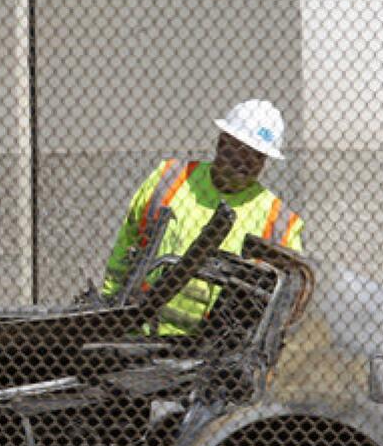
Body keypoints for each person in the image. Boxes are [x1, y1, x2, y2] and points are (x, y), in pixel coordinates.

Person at [101, 99, 304, 334]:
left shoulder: (279, 221)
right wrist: (109, 306)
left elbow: (288, 302)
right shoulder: (169, 180)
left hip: (214, 353)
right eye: (241, 150)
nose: (246, 163)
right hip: (139, 332)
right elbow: (126, 243)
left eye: (257, 155)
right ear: (222, 142)